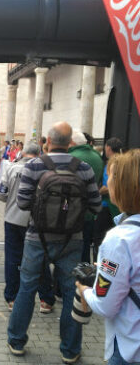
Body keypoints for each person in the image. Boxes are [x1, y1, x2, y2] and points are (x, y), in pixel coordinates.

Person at [7, 121, 102, 364]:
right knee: (71, 292)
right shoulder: (83, 169)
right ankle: (69, 350)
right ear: (70, 144)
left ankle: (17, 341)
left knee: (26, 288)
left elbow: (23, 203)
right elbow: (94, 206)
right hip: (72, 240)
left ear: (47, 142)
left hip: (36, 238)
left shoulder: (35, 165)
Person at [77, 149, 140, 365]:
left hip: (130, 347)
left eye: (110, 176)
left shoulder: (120, 240)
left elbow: (105, 305)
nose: (107, 182)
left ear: (124, 186)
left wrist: (85, 291)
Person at [0, 142, 55, 313]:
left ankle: (12, 298)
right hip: (37, 221)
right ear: (38, 153)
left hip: (13, 219)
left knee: (13, 259)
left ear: (22, 153)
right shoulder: (46, 170)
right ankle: (46, 299)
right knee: (41, 258)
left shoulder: (12, 168)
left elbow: (1, 194)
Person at [69, 130, 104, 262]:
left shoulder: (71, 156)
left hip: (71, 212)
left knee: (69, 252)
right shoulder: (96, 156)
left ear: (72, 142)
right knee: (85, 248)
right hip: (90, 211)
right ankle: (84, 276)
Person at [94, 137, 123, 258]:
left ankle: (99, 265)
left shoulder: (111, 164)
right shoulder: (123, 162)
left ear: (108, 148)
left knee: (100, 239)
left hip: (107, 208)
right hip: (118, 209)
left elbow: (107, 187)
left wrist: (99, 191)